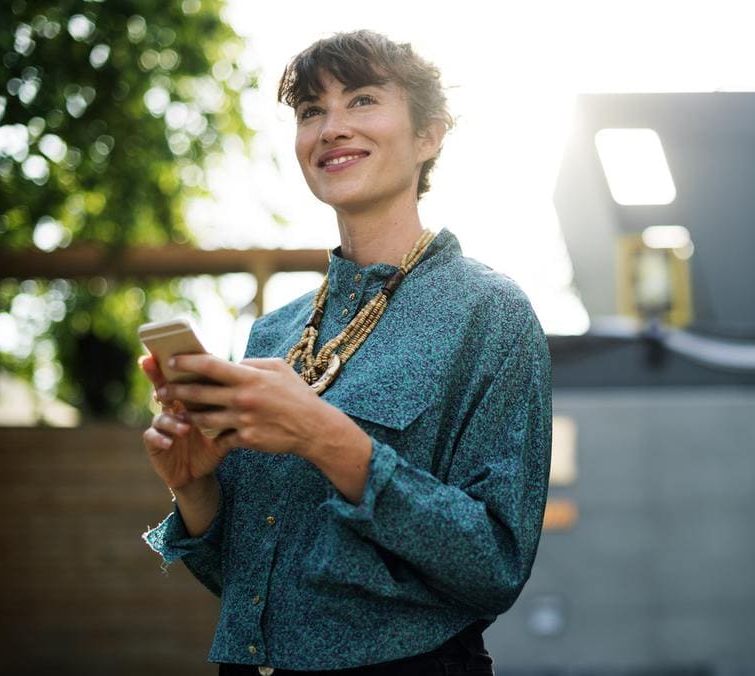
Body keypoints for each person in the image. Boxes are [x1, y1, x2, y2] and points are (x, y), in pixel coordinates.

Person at [141, 30, 552, 675]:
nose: (331, 127)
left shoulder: (491, 314)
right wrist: (193, 488)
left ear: (429, 135)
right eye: (311, 111)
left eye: (361, 100)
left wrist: (325, 437)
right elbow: (248, 587)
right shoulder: (271, 335)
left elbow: (496, 566)